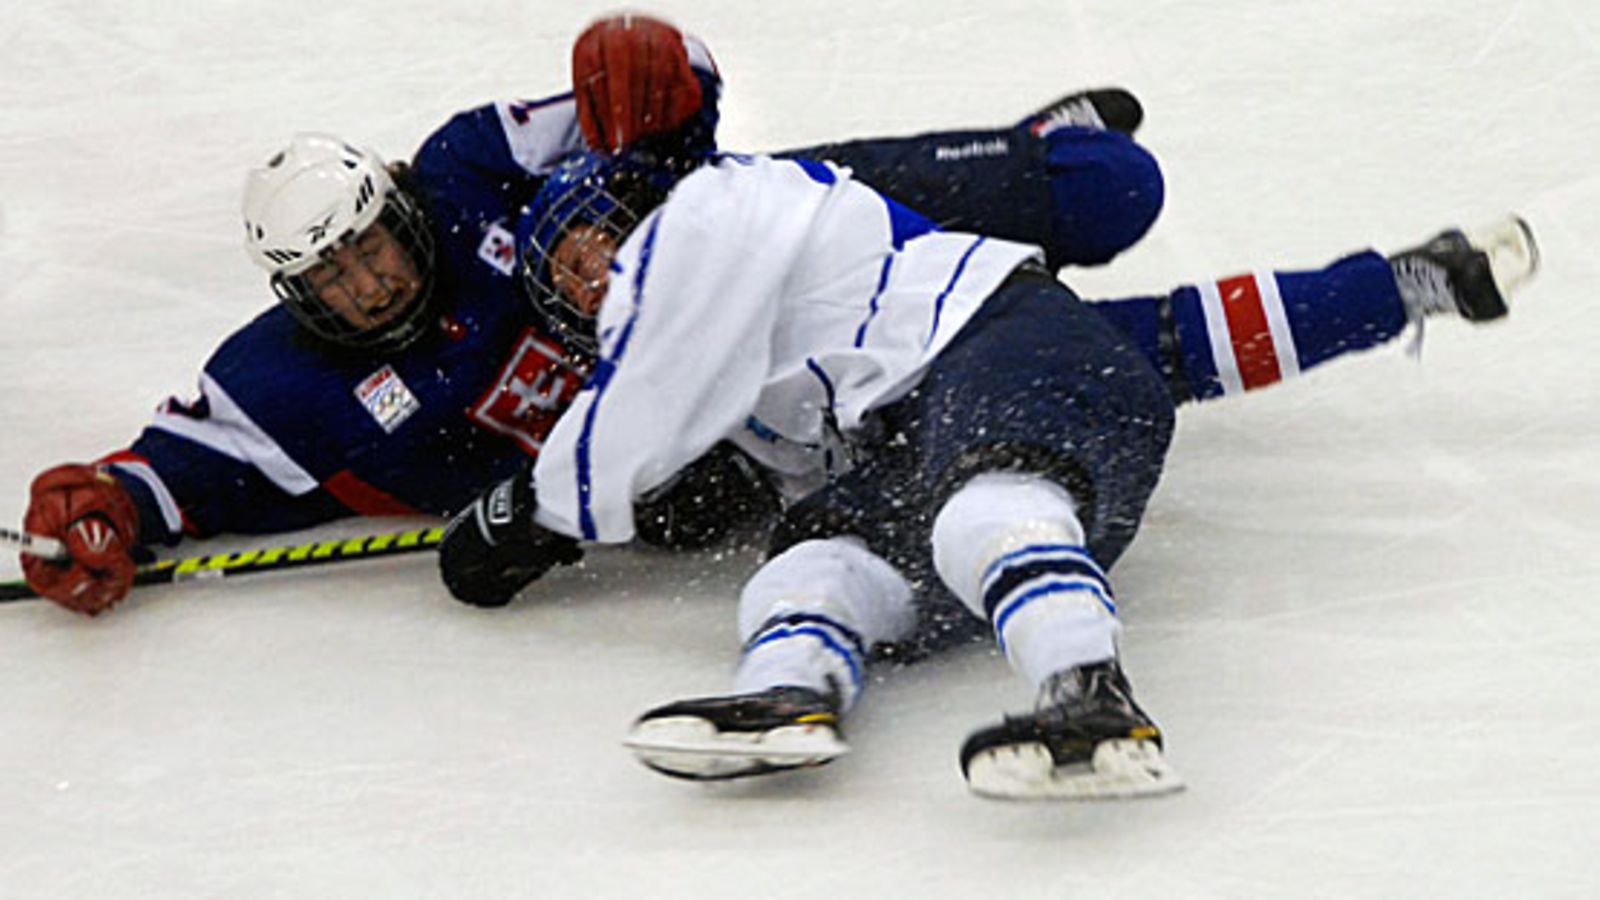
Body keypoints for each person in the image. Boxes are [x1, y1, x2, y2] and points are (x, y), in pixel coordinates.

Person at [432, 146, 1537, 800]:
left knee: (980, 508)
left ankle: (1092, 700)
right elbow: (1163, 343)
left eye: (598, 237)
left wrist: (547, 511)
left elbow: (633, 407)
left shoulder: (722, 209)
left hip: (992, 384)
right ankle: (793, 694)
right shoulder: (759, 371)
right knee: (810, 562)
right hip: (962, 421)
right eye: (569, 273)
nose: (597, 271)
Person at [14, 12, 1165, 616]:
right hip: (754, 403)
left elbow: (666, 115)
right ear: (298, 296)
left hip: (775, 251)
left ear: (396, 209)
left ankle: (1029, 150)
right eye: (332, 281)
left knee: (1107, 187)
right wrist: (101, 508)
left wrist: (662, 69)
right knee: (702, 502)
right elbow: (163, 476)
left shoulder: (469, 166)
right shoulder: (281, 380)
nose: (366, 285)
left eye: (368, 248)